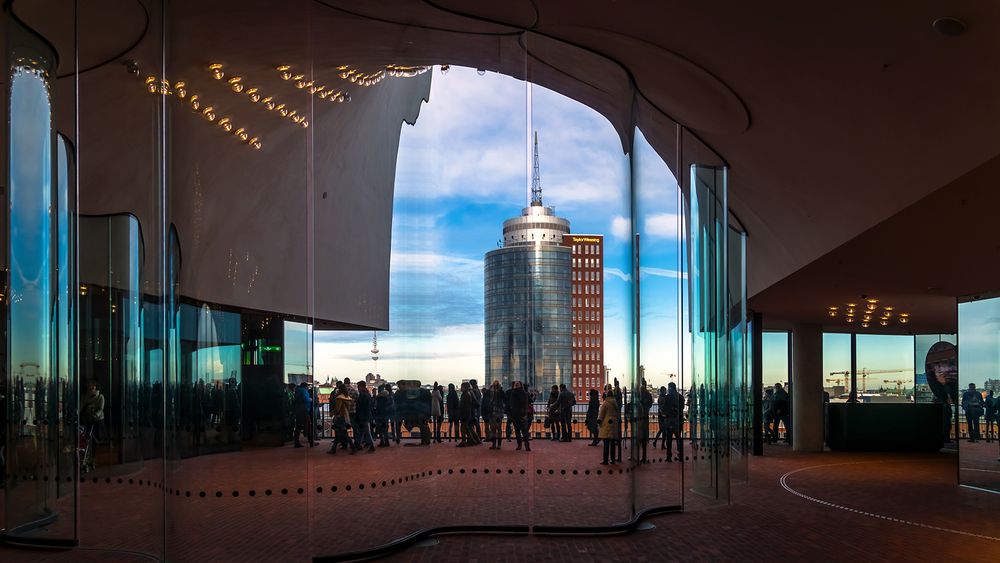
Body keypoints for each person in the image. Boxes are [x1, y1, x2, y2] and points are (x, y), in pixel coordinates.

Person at [80, 381, 106, 472]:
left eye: (93, 387)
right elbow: (80, 406)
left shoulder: (100, 397)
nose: (91, 389)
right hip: (88, 420)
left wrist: (96, 415)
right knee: (86, 439)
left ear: (96, 388)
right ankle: (86, 458)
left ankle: (93, 459)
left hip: (97, 420)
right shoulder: (85, 397)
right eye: (89, 387)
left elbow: (101, 408)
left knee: (95, 440)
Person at [328, 384, 355, 455]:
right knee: (340, 433)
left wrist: (332, 413)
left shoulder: (339, 398)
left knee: (342, 433)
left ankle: (353, 448)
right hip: (345, 417)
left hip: (340, 417)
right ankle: (333, 448)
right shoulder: (347, 397)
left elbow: (337, 409)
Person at [661, 382, 683, 461]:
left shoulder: (667, 397)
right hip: (678, 421)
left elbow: (663, 409)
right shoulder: (680, 397)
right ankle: (680, 455)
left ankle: (669, 456)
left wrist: (665, 413)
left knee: (669, 439)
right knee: (678, 438)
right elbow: (681, 408)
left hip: (670, 421)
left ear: (670, 388)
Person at [598, 385, 620, 465]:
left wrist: (599, 422)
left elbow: (601, 414)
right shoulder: (615, 403)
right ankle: (613, 460)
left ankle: (605, 460)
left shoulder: (605, 403)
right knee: (613, 444)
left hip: (607, 424)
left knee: (606, 444)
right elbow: (618, 413)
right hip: (614, 424)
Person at [508, 381, 531, 451]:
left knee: (524, 431)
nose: (516, 385)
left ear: (521, 385)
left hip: (521, 414)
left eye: (518, 384)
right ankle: (520, 445)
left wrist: (525, 414)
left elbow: (526, 403)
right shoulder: (513, 393)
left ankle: (526, 445)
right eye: (515, 384)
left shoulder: (523, 393)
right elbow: (511, 404)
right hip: (515, 414)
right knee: (518, 431)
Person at [355, 381, 375, 452]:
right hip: (366, 415)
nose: (358, 388)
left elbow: (360, 406)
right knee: (362, 431)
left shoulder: (363, 395)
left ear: (361, 386)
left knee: (366, 431)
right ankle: (358, 445)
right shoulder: (367, 394)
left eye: (358, 387)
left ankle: (371, 445)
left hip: (363, 416)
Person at [486, 380, 506, 449]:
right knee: (493, 429)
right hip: (492, 413)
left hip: (498, 413)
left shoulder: (501, 393)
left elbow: (504, 401)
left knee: (498, 429)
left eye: (496, 386)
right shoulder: (490, 393)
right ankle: (494, 444)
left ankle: (498, 445)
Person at [637, 382, 653, 462]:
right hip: (645, 417)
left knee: (639, 439)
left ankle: (639, 456)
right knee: (643, 439)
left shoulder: (639, 395)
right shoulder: (648, 395)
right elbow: (650, 404)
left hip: (640, 418)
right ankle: (643, 457)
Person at [457, 382, 475, 447]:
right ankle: (472, 440)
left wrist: (462, 414)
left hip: (464, 414)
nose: (461, 388)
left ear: (465, 388)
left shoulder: (466, 395)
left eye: (462, 387)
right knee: (466, 428)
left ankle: (464, 441)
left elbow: (465, 406)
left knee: (463, 429)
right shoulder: (467, 394)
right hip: (466, 414)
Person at [469, 379, 483, 444]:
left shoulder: (473, 391)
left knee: (472, 425)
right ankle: (478, 438)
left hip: (474, 410)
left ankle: (475, 438)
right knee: (477, 424)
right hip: (477, 410)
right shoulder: (478, 391)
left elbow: (473, 401)